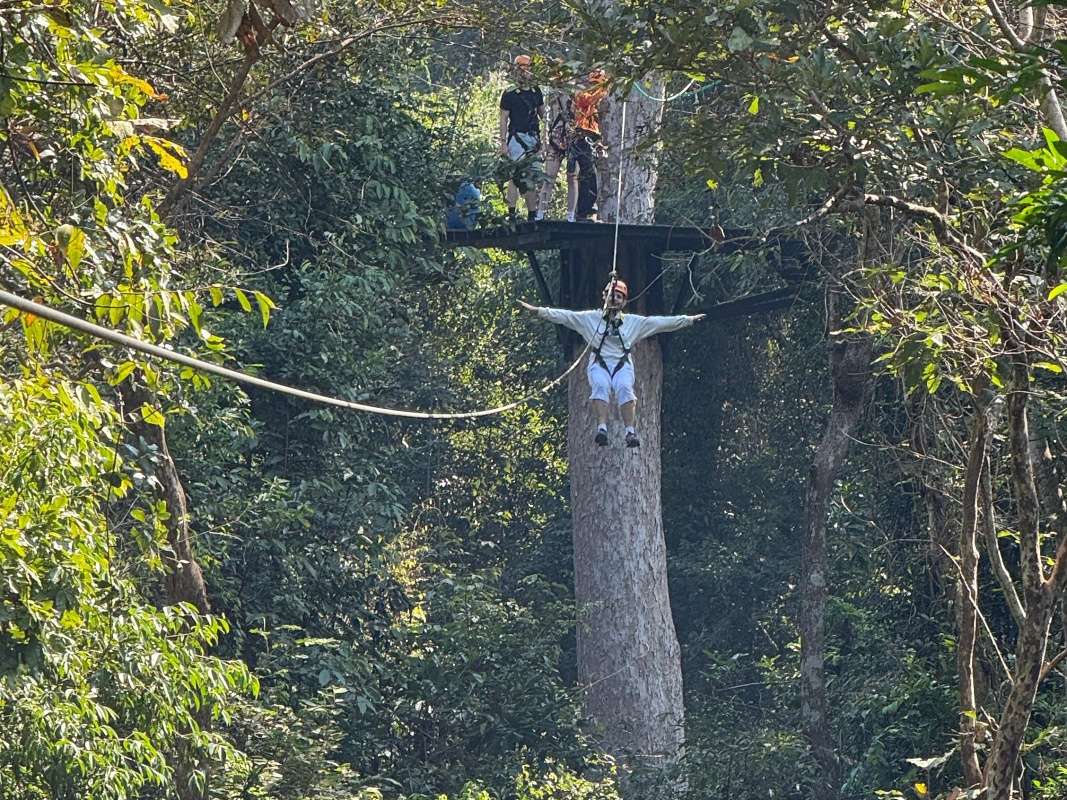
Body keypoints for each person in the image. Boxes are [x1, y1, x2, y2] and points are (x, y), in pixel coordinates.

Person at [519, 278, 706, 448]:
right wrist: (538, 311)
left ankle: (630, 432)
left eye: (619, 296)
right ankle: (602, 428)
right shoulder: (590, 319)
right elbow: (564, 316)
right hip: (599, 364)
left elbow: (660, 323)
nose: (615, 299)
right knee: (600, 386)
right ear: (605, 297)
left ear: (624, 302)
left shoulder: (633, 323)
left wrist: (688, 321)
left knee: (625, 388)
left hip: (622, 364)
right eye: (612, 295)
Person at [499, 54, 544, 221]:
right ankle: (512, 213)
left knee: (532, 176)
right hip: (516, 136)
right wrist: (503, 143)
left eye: (527, 67)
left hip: (533, 137)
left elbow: (543, 114)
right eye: (521, 67)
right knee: (515, 175)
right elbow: (503, 118)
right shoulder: (510, 93)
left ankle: (532, 214)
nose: (525, 71)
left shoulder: (535, 91)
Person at [568, 69, 608, 222]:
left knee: (591, 176)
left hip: (591, 138)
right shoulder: (583, 95)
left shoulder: (597, 104)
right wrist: (603, 90)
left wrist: (599, 143)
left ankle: (588, 211)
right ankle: (584, 212)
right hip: (582, 137)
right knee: (587, 175)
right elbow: (587, 101)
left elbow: (596, 125)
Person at [537, 65, 576, 221]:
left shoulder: (575, 93)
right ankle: (540, 213)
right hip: (555, 139)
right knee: (549, 178)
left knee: (572, 177)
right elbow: (547, 119)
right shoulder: (552, 95)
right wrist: (545, 141)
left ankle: (571, 215)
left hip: (572, 139)